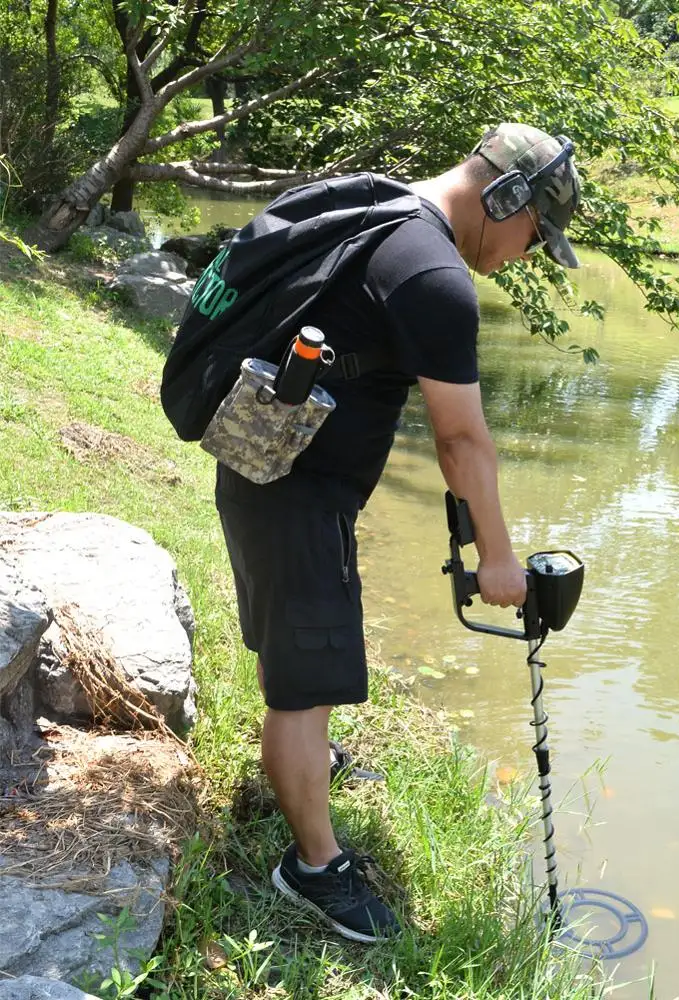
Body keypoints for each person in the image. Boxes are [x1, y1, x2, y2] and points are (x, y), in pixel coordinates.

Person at [213, 123, 582, 942]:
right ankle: (312, 867)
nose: (527, 253)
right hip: (293, 493)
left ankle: (311, 759)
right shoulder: (434, 277)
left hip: (264, 469)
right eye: (534, 234)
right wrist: (498, 558)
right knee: (305, 684)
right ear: (505, 199)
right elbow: (460, 440)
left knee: (299, 650)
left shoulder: (385, 211)